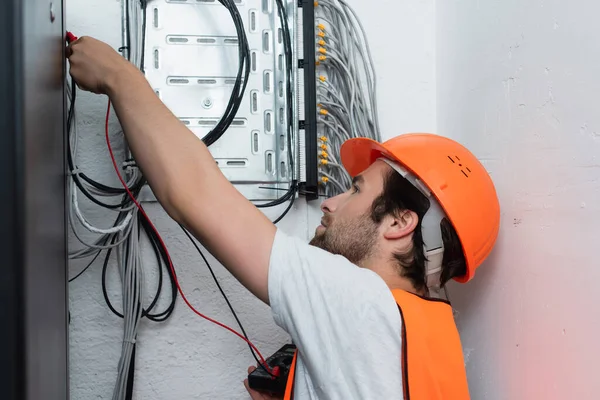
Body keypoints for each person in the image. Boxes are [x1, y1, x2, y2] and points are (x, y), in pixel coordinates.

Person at [67, 36, 500, 400]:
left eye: (356, 190)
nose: (330, 203)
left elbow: (192, 193)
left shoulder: (360, 303)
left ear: (400, 223)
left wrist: (118, 77)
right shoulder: (435, 338)